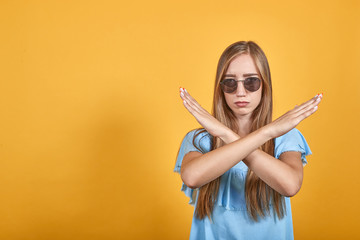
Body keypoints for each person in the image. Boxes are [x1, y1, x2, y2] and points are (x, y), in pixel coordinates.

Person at [174, 40, 323, 240]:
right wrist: (266, 132)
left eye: (251, 81)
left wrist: (228, 134)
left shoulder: (285, 137)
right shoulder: (199, 139)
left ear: (264, 85)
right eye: (230, 82)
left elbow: (290, 185)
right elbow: (192, 177)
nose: (240, 92)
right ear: (220, 88)